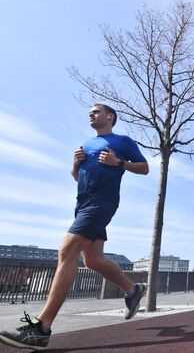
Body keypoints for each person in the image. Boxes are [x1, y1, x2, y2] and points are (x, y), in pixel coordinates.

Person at [0, 104, 150, 350]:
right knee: (92, 260)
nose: (90, 115)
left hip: (102, 203)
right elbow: (78, 177)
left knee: (66, 252)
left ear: (110, 117)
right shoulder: (86, 144)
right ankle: (132, 291)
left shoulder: (123, 141)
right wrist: (74, 165)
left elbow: (144, 168)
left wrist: (118, 162)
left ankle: (41, 328)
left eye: (96, 112)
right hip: (82, 204)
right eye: (89, 112)